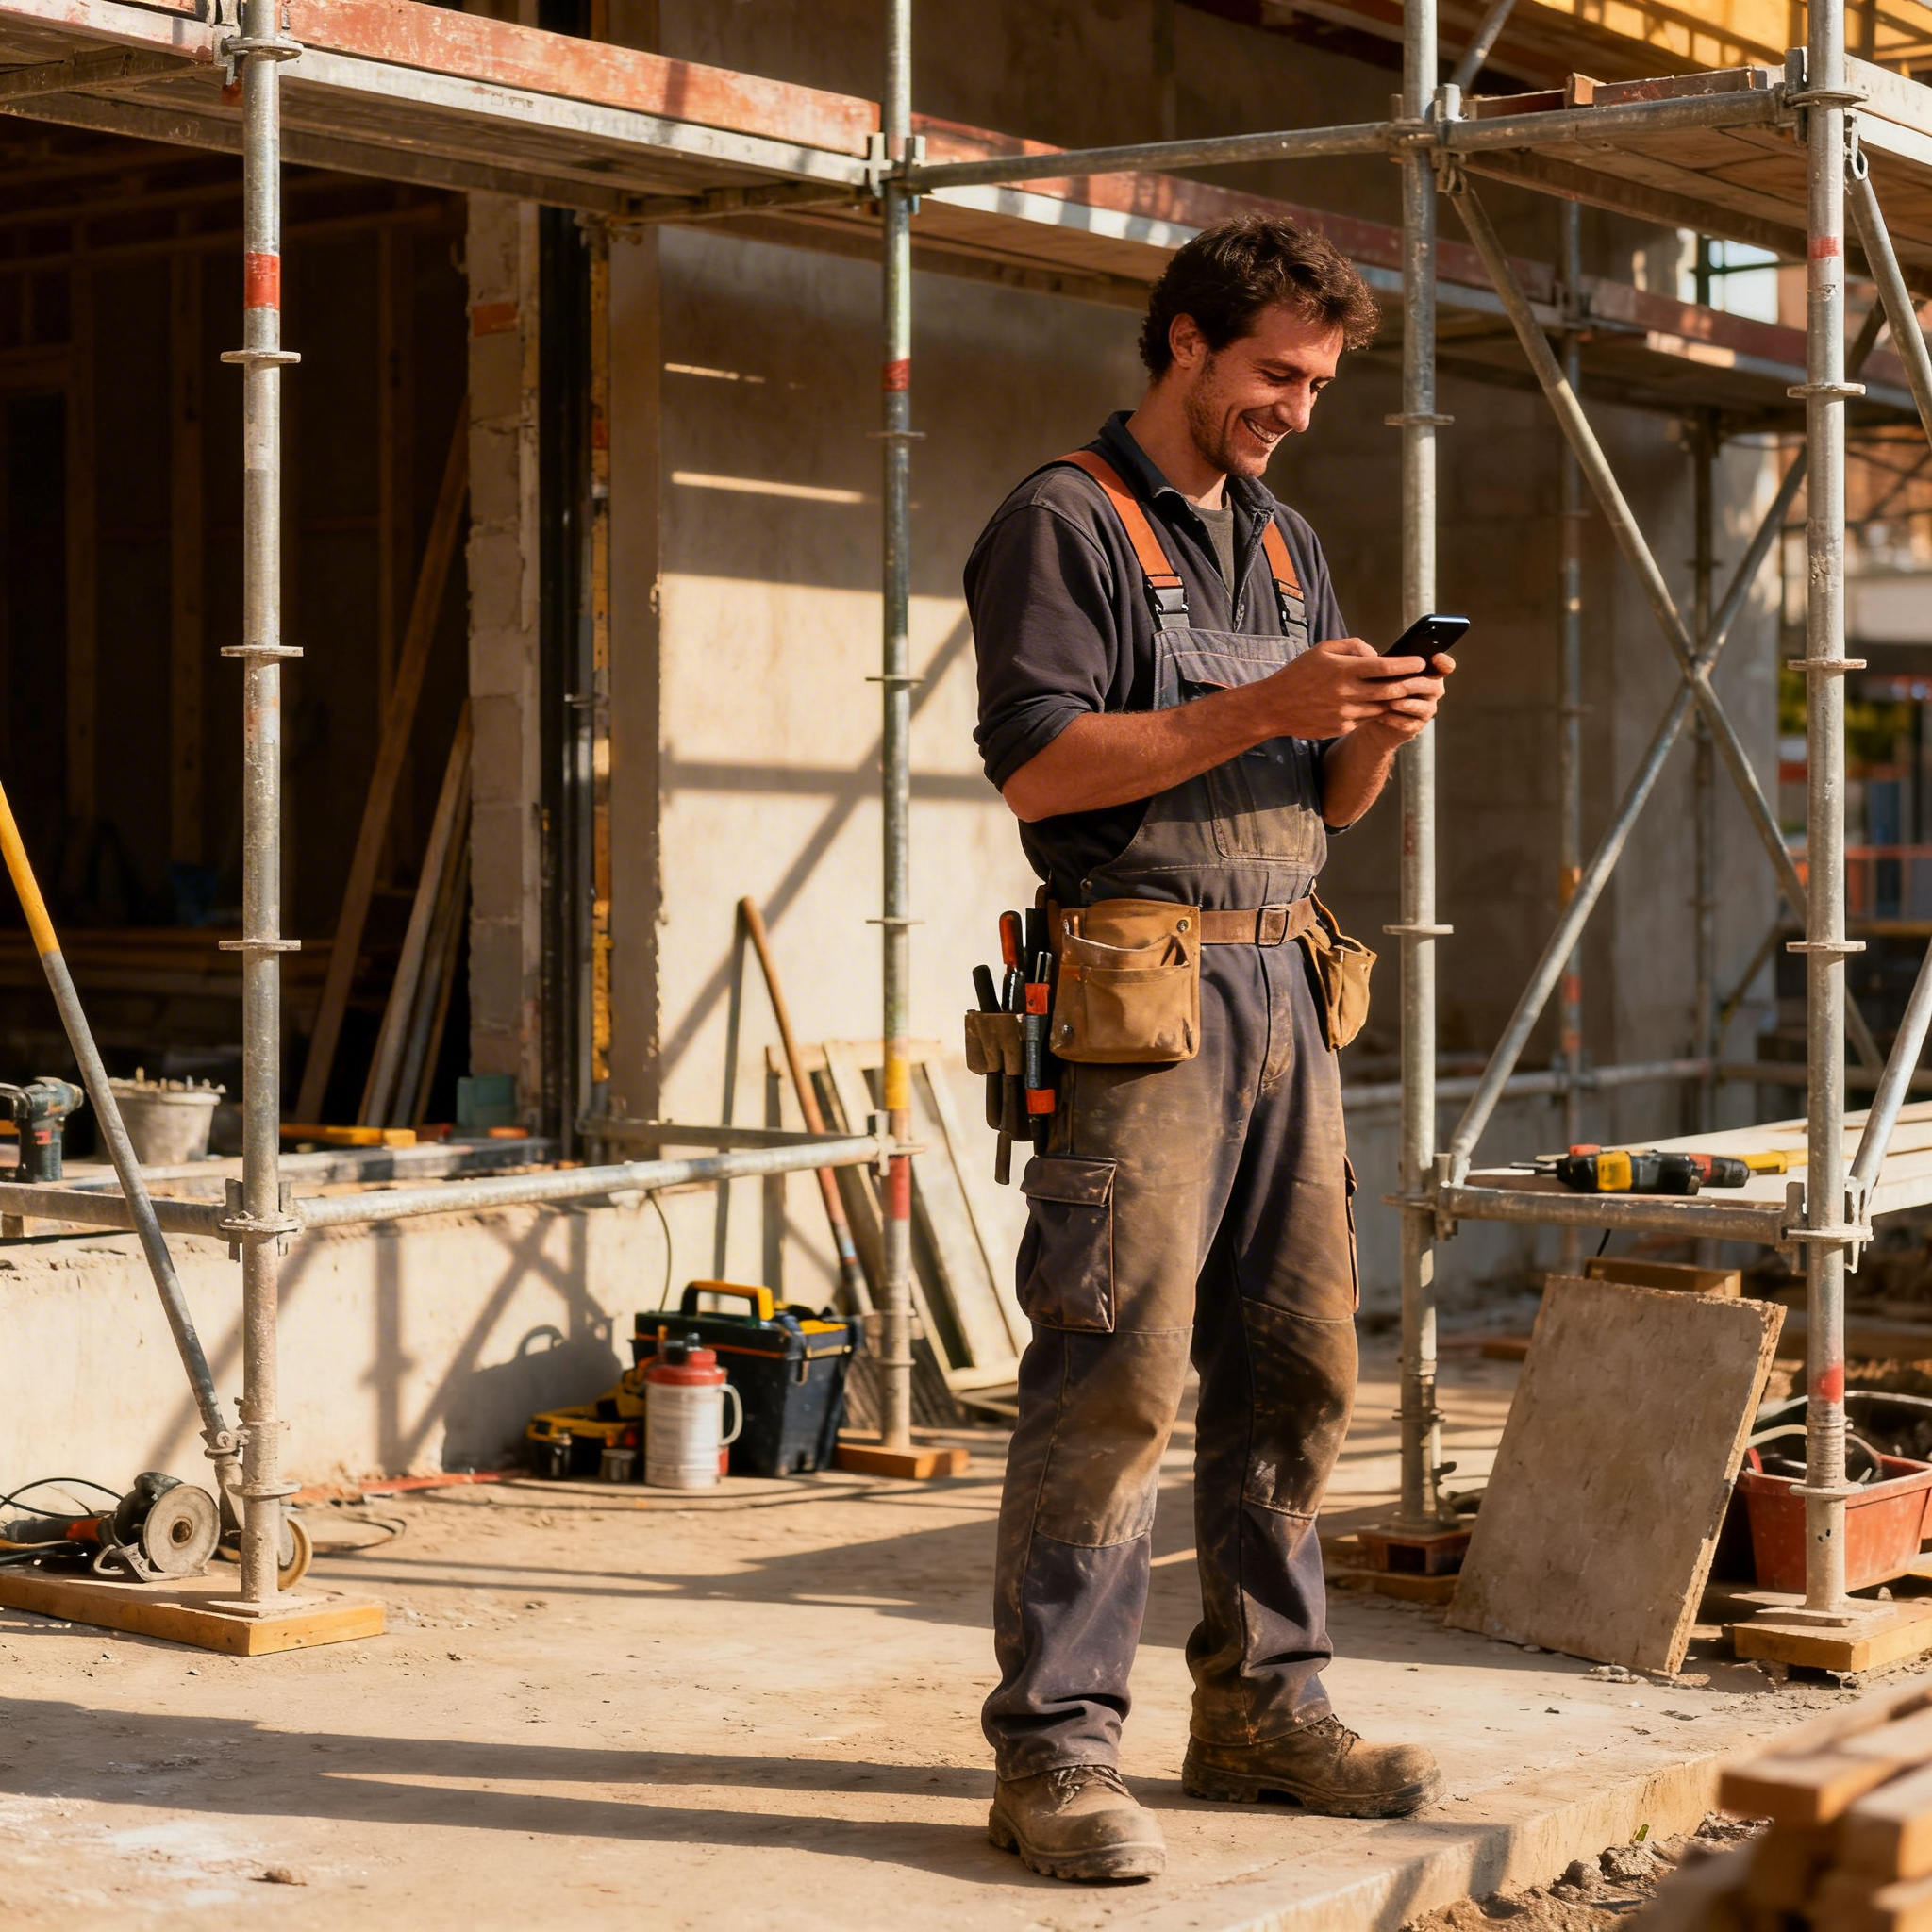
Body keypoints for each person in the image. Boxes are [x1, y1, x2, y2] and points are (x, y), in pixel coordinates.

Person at [966, 212, 1453, 1884]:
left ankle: (1263, 1707)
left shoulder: (1289, 543)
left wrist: (1372, 734)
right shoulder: (1064, 524)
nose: (1294, 409)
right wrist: (1263, 706)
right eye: (1272, 374)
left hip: (1289, 991)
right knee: (1115, 1378)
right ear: (1183, 341)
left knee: (1303, 1371)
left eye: (1316, 383)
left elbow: (1328, 806)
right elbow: (1038, 772)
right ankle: (1055, 1756)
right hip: (1147, 1002)